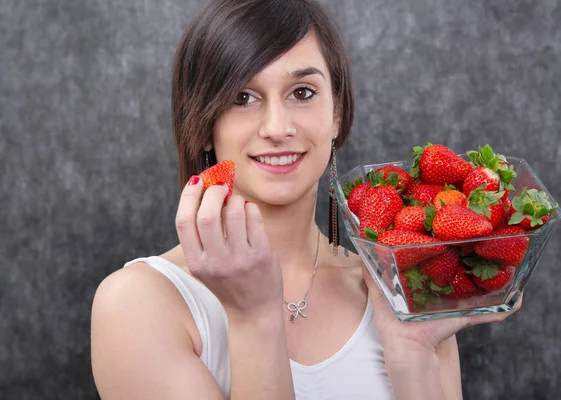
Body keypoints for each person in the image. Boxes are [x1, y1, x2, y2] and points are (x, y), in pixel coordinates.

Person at [90, 0, 521, 399]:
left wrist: (412, 356)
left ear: (336, 114)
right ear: (203, 124)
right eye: (243, 97)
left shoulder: (402, 289)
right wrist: (255, 318)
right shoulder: (137, 304)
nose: (277, 127)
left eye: (302, 93)